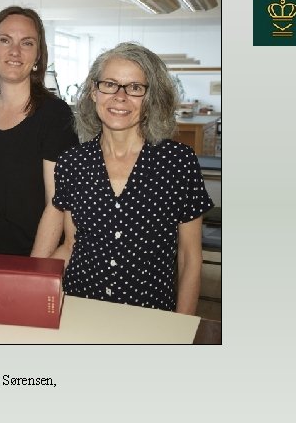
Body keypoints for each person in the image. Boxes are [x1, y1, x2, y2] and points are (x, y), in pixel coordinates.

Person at [48, 42, 213, 315]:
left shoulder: (178, 163)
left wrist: (181, 330)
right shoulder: (72, 163)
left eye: (135, 88)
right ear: (93, 91)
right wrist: (28, 285)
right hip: (80, 310)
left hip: (150, 316)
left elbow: (189, 258)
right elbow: (70, 245)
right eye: (110, 84)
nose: (120, 97)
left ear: (150, 98)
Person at [0, 6, 78, 257]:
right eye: (5, 40)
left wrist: (32, 272)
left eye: (27, 43)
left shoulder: (55, 115)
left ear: (38, 55)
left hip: (34, 257)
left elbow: (56, 203)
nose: (15, 51)